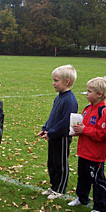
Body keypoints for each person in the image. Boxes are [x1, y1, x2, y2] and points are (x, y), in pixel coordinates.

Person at [68, 77, 106, 212]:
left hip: (95, 155)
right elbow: (83, 127)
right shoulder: (87, 109)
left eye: (89, 91)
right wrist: (76, 131)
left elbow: (102, 134)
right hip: (84, 152)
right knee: (83, 177)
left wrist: (84, 130)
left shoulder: (103, 112)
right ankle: (82, 198)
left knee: (97, 180)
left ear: (99, 94)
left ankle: (100, 206)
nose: (86, 94)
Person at [37, 65, 78, 199]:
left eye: (56, 81)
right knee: (52, 163)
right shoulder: (59, 97)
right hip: (53, 135)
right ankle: (53, 186)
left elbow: (66, 122)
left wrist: (52, 133)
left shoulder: (70, 100)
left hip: (62, 137)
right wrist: (45, 128)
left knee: (60, 163)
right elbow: (53, 116)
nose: (53, 83)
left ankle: (60, 189)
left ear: (66, 81)